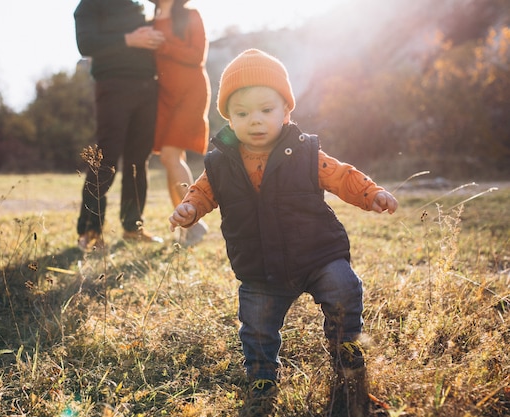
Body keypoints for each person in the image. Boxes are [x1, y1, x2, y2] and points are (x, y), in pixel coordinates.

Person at [168, 49, 399, 416]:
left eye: (266, 110)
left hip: (317, 253)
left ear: (286, 112)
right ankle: (261, 376)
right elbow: (203, 191)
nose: (255, 121)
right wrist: (189, 209)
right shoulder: (219, 163)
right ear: (229, 118)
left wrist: (371, 193)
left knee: (344, 287)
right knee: (257, 325)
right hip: (260, 266)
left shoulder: (305, 152)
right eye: (242, 113)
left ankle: (346, 349)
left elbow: (340, 176)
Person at [74, 0, 166, 251]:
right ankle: (90, 230)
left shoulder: (143, 5)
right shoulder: (91, 4)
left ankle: (132, 227)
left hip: (149, 87)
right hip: (113, 86)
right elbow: (85, 43)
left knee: (139, 160)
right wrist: (128, 39)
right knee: (106, 157)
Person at [149, 0, 211, 247]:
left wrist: (164, 44)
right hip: (165, 96)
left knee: (170, 154)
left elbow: (197, 55)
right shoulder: (150, 22)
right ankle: (188, 224)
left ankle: (194, 222)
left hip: (191, 91)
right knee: (169, 158)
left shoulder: (191, 15)